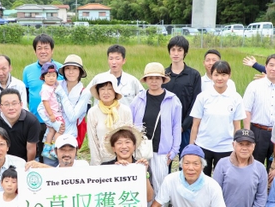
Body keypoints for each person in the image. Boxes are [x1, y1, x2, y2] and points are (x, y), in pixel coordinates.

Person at [130, 62, 181, 195]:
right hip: (142, 150)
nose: (154, 81)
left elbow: (176, 126)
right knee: (142, 185)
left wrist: (174, 150)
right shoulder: (138, 99)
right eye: (150, 78)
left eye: (157, 78)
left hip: (162, 151)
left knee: (160, 187)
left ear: (163, 80)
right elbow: (131, 126)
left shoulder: (172, 100)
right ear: (146, 80)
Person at [189, 61, 246, 176]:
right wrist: (191, 148)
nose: (220, 78)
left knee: (225, 179)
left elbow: (237, 126)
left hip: (226, 147)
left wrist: (237, 147)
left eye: (223, 74)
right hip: (204, 145)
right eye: (216, 75)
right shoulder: (203, 97)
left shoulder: (235, 98)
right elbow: (195, 125)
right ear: (211, 75)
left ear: (229, 75)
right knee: (202, 178)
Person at [242, 53, 275, 170]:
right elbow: (246, 111)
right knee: (254, 166)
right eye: (271, 65)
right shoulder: (254, 86)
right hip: (258, 131)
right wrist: (247, 133)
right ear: (265, 67)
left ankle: (272, 188)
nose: (274, 69)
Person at [22, 34, 62, 159]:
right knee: (38, 154)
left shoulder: (61, 69)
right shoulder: (28, 70)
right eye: (39, 48)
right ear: (35, 51)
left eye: (46, 48)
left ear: (52, 50)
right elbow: (26, 93)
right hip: (36, 120)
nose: (43, 51)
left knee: (56, 153)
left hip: (56, 119)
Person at [38, 54, 91, 148]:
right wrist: (54, 124)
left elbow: (72, 117)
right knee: (48, 162)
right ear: (64, 70)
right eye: (68, 68)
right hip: (51, 136)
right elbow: (41, 108)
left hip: (70, 137)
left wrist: (62, 94)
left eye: (75, 68)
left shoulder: (84, 92)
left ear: (80, 71)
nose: (71, 72)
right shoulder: (55, 85)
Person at [163, 35, 201, 157]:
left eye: (179, 50)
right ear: (169, 52)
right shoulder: (162, 75)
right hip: (166, 128)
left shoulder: (193, 75)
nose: (176, 53)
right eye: (173, 50)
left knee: (186, 160)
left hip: (186, 128)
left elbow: (196, 102)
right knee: (165, 161)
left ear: (185, 53)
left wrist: (183, 126)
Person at [86, 72, 133, 166]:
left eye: (109, 89)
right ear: (98, 92)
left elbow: (130, 138)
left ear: (115, 91)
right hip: (102, 160)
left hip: (122, 161)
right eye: (102, 89)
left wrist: (128, 161)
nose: (106, 92)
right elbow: (93, 141)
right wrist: (96, 164)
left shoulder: (125, 110)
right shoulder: (93, 112)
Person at [0, 88, 40, 162]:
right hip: (3, 159)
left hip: (26, 158)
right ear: (0, 107)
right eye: (6, 104)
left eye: (14, 103)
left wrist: (27, 167)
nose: (11, 108)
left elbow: (31, 149)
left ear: (21, 104)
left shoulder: (31, 121)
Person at [0, 54, 27, 133]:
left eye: (4, 69)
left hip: (16, 126)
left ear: (10, 68)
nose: (1, 72)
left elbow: (23, 109)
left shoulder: (19, 85)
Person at [39, 62, 64, 160]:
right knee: (60, 129)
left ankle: (46, 148)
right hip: (53, 114)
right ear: (43, 77)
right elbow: (45, 102)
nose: (51, 78)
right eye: (48, 76)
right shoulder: (45, 89)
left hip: (54, 112)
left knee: (51, 130)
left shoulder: (52, 86)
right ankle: (54, 148)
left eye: (54, 76)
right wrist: (51, 115)